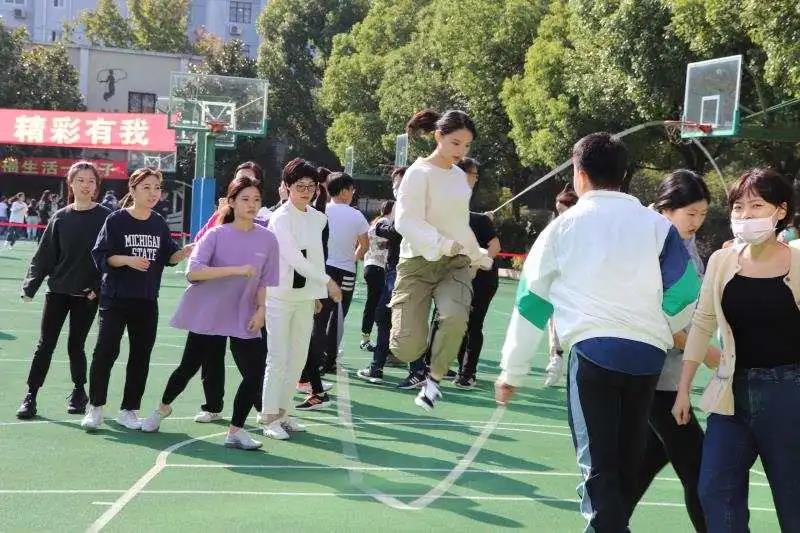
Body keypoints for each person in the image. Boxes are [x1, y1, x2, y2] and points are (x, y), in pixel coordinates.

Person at [496, 133, 700, 532]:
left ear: (579, 174)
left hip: (593, 355)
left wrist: (512, 371)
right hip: (647, 358)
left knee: (599, 471)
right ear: (623, 175)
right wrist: (659, 325)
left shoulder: (562, 227)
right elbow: (688, 289)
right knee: (624, 468)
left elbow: (531, 304)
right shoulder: (657, 226)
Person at [672, 168, 800, 532]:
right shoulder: (721, 261)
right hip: (730, 393)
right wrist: (683, 388)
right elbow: (702, 323)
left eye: (757, 206)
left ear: (780, 211)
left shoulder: (797, 260)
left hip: (789, 394)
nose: (745, 215)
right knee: (715, 489)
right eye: (738, 206)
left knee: (793, 501)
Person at [141, 175, 279, 450]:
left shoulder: (268, 239)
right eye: (245, 199)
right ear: (231, 202)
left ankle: (236, 430)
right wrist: (236, 270)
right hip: (210, 312)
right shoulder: (215, 235)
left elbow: (265, 281)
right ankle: (162, 409)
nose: (252, 205)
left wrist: (261, 310)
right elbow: (193, 273)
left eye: (256, 200)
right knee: (188, 367)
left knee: (255, 373)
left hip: (244, 314)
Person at [627, 170, 719, 531]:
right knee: (699, 467)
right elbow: (660, 319)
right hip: (654, 375)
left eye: (702, 214)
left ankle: (605, 521)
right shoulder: (650, 243)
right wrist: (707, 354)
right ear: (666, 208)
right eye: (690, 213)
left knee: (647, 461)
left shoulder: (682, 240)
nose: (696, 222)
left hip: (671, 377)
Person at [390, 109, 493, 411]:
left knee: (456, 317)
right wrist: (441, 243)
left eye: (467, 145)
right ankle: (417, 349)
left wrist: (476, 254)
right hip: (417, 263)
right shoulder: (418, 173)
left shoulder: (460, 178)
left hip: (455, 264)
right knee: (405, 347)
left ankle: (433, 382)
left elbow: (460, 225)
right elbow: (405, 221)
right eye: (455, 143)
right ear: (438, 136)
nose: (461, 151)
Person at [81, 168, 193, 431]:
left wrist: (184, 253)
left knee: (141, 356)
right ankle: (95, 407)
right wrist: (127, 260)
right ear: (132, 190)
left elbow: (168, 256)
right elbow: (101, 255)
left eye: (157, 188)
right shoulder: (116, 220)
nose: (153, 193)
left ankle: (129, 410)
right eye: (146, 187)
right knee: (105, 351)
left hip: (146, 300)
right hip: (115, 298)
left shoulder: (158, 222)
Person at [15, 162, 111, 419]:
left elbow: (111, 259)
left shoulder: (107, 218)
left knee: (76, 346)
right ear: (71, 184)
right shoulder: (60, 217)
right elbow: (44, 255)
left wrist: (97, 289)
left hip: (87, 296)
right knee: (45, 344)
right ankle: (31, 396)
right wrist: (30, 286)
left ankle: (79, 392)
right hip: (57, 291)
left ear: (96, 186)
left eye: (91, 181)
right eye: (80, 180)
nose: (86, 185)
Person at [261, 158, 342, 440]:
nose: (306, 191)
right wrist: (327, 282)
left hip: (305, 298)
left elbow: (316, 257)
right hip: (279, 296)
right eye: (299, 186)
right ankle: (268, 417)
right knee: (278, 358)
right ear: (287, 187)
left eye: (311, 186)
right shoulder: (280, 218)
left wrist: (315, 293)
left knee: (297, 358)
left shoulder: (318, 218)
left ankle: (285, 413)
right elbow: (294, 258)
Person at [191, 160, 264, 423]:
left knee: (249, 357)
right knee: (212, 353)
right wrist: (221, 213)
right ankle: (212, 405)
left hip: (246, 298)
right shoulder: (221, 215)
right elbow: (199, 241)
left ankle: (262, 406)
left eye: (250, 179)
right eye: (239, 178)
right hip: (217, 295)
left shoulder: (264, 217)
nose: (244, 183)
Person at [357, 167, 429, 387]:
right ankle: (379, 367)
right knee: (387, 317)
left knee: (403, 320)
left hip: (406, 269)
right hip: (398, 269)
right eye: (395, 184)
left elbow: (398, 229)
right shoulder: (405, 203)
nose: (396, 188)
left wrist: (382, 225)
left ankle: (416, 369)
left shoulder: (415, 205)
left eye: (400, 183)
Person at [312, 171, 370, 374]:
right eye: (352, 189)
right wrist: (352, 259)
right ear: (345, 191)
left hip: (323, 269)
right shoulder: (356, 215)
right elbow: (364, 245)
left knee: (319, 316)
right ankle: (330, 361)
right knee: (338, 317)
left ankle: (315, 361)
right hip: (346, 272)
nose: (353, 193)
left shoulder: (320, 211)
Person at [453, 158, 501, 389]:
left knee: (473, 325)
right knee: (457, 324)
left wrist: (479, 264)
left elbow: (495, 246)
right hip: (458, 278)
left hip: (482, 281)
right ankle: (457, 367)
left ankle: (467, 373)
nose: (476, 178)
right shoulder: (459, 216)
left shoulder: (479, 220)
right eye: (473, 174)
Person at [543, 186, 579, 387]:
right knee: (554, 321)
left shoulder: (584, 228)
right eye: (558, 211)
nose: (560, 215)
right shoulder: (555, 228)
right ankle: (555, 360)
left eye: (564, 211)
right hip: (558, 285)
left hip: (580, 288)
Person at [359, 201, 392, 352]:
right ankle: (373, 339)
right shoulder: (386, 223)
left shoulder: (375, 222)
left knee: (372, 304)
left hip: (370, 266)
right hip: (378, 267)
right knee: (378, 306)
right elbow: (383, 244)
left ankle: (366, 337)